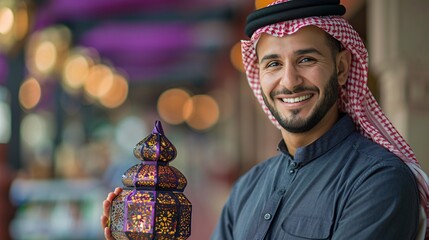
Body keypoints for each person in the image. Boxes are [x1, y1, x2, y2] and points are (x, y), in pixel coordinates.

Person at [101, 0, 429, 239]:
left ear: (342, 68)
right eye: (273, 64)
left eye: (306, 59)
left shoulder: (378, 181)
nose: (289, 81)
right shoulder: (248, 187)